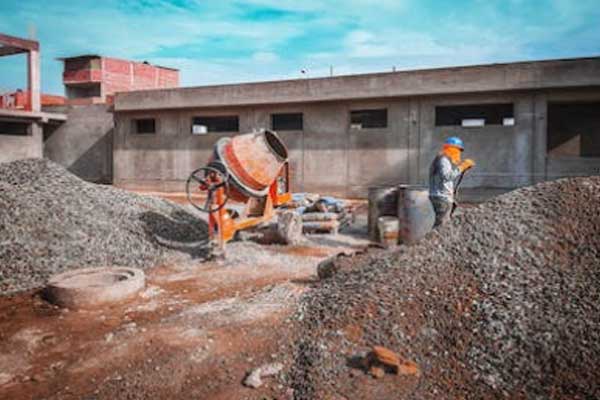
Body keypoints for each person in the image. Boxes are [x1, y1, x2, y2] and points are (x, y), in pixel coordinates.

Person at [429, 137, 475, 227]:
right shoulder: (444, 160)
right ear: (452, 148)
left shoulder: (441, 159)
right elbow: (447, 177)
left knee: (441, 223)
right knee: (442, 225)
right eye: (458, 150)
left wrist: (463, 167)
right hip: (442, 198)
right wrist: (462, 167)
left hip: (440, 196)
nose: (459, 153)